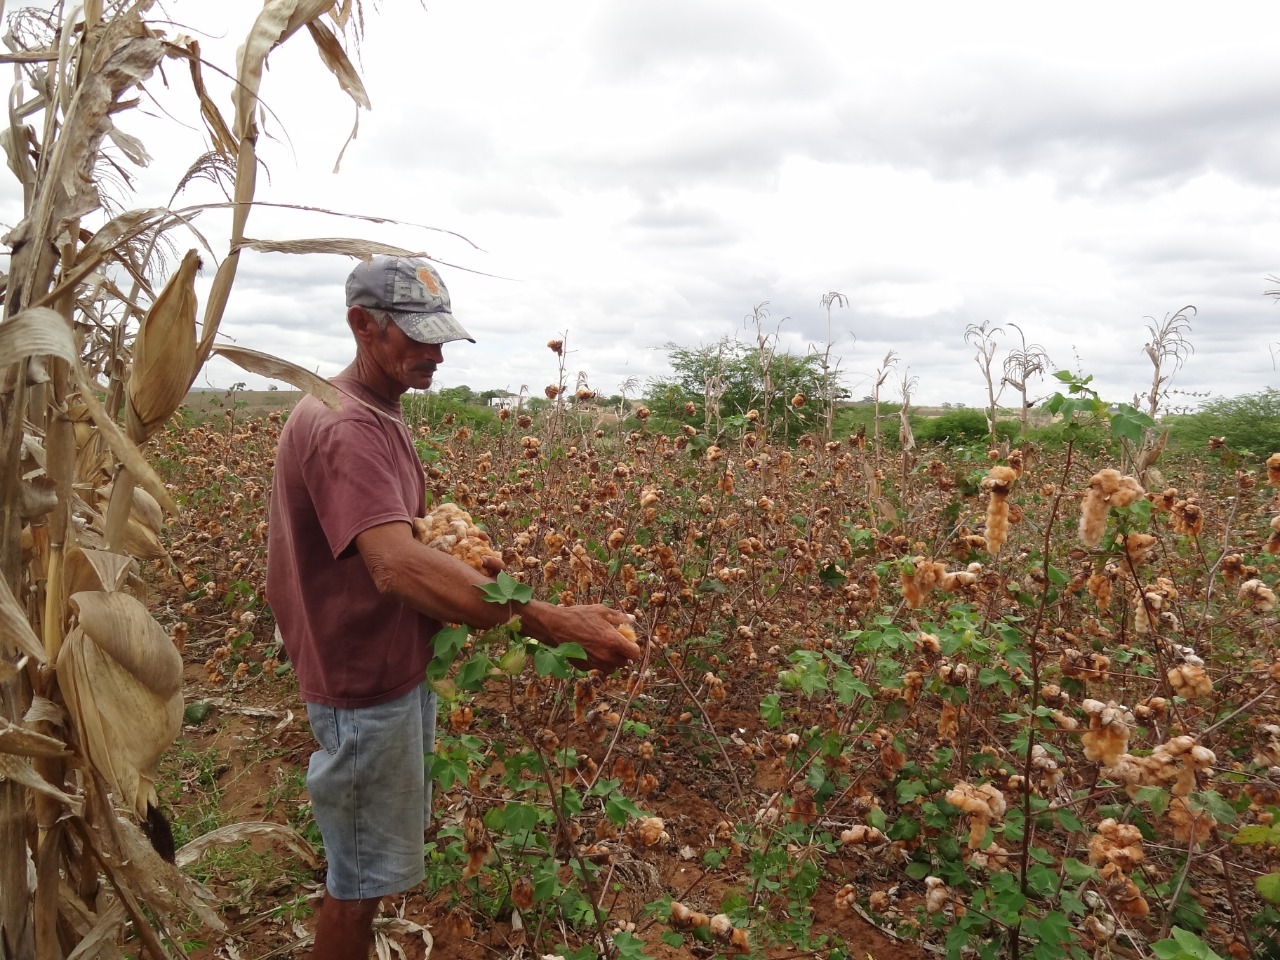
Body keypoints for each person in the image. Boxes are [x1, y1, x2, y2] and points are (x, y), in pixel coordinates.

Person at [266, 255, 642, 960]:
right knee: (356, 883)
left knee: (366, 872)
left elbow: (395, 539)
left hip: (385, 672)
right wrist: (547, 618)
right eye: (417, 337)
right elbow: (394, 563)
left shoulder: (376, 412)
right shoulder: (346, 424)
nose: (435, 353)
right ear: (361, 326)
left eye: (442, 337)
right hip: (362, 687)